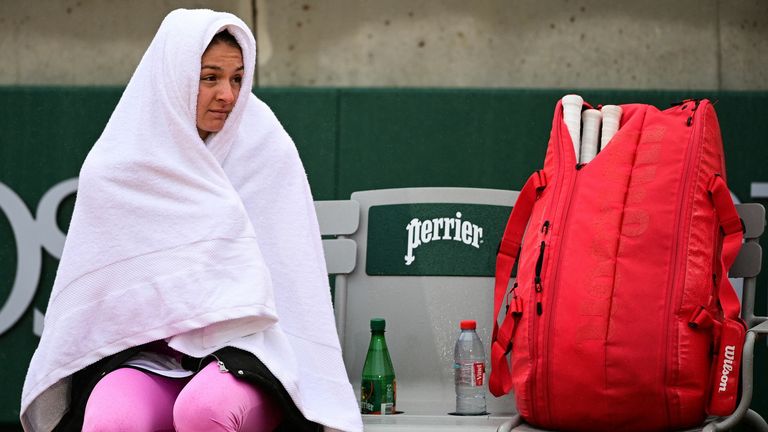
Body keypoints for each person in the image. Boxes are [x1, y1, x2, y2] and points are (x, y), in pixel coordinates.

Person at [20, 9, 363, 432]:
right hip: (150, 354)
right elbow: (103, 299)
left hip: (249, 353)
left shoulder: (265, 147)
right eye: (210, 78)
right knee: (111, 417)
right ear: (173, 76)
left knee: (203, 410)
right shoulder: (117, 165)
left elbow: (293, 282)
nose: (227, 95)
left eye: (237, 78)